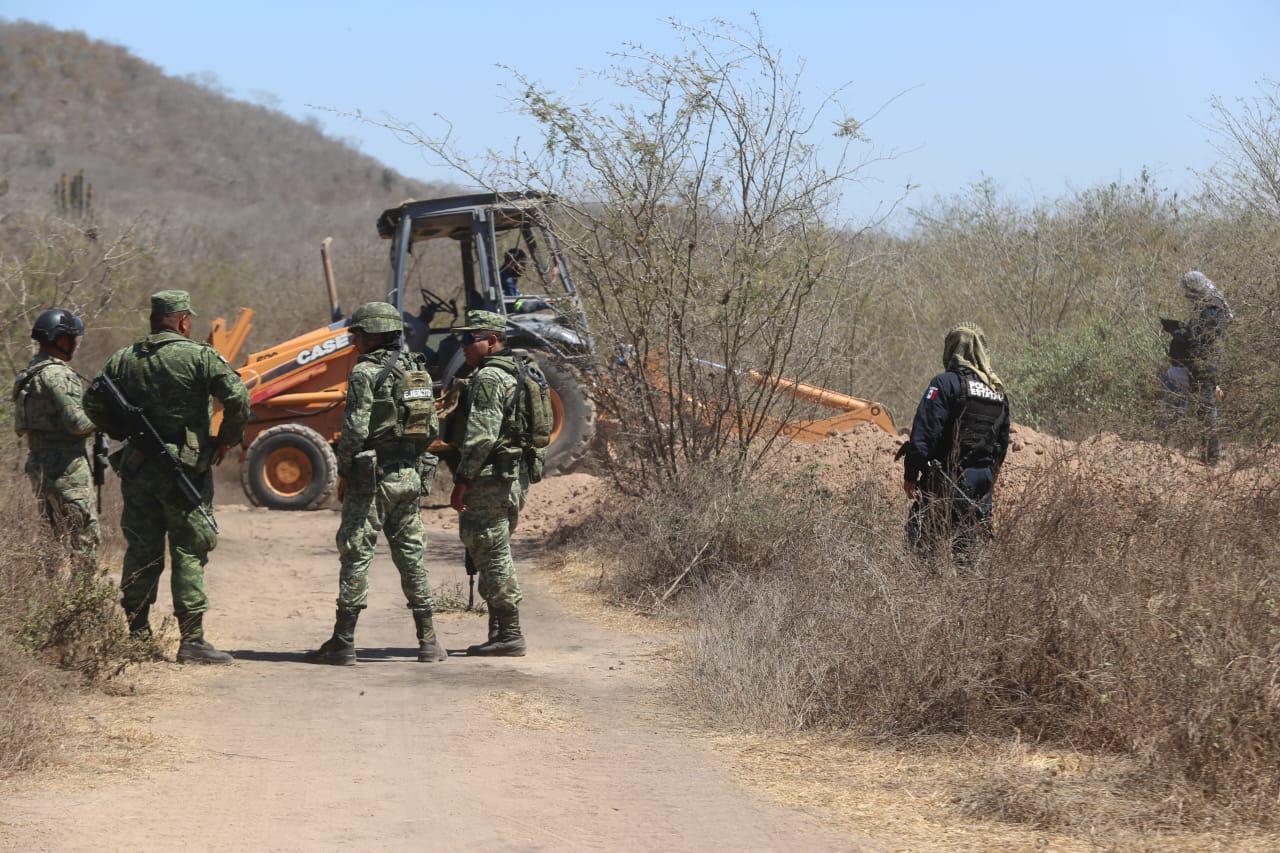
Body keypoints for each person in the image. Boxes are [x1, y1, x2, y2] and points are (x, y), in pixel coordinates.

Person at [84, 290, 250, 665]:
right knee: (189, 550)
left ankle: (137, 636)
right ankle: (192, 641)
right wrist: (224, 441)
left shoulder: (124, 359)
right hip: (186, 469)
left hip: (140, 468)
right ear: (184, 321)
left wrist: (125, 432)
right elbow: (239, 397)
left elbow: (91, 403)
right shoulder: (200, 356)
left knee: (142, 549)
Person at [305, 302, 445, 666]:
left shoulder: (365, 373)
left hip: (372, 478)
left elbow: (354, 430)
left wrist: (346, 471)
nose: (355, 340)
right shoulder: (417, 371)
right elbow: (430, 428)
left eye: (359, 334)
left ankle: (344, 642)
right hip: (410, 475)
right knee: (412, 556)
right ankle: (429, 641)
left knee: (356, 553)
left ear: (373, 335)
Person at [445, 310, 549, 656]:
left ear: (492, 340)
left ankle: (509, 634)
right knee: (493, 548)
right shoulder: (520, 370)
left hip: (491, 478)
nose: (463, 347)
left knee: (491, 549)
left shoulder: (490, 378)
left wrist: (462, 479)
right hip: (513, 476)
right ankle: (498, 631)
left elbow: (480, 437)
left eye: (469, 339)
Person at [898, 323, 1011, 558]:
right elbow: (1000, 447)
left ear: (951, 349)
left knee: (919, 548)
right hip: (980, 485)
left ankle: (929, 593)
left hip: (946, 479)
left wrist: (911, 475)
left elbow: (924, 435)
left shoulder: (945, 384)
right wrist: (988, 481)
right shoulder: (998, 394)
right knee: (968, 557)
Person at [12, 307, 99, 562]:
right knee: (84, 537)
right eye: (71, 338)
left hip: (39, 464)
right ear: (60, 339)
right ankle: (81, 599)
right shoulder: (58, 375)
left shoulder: (29, 373)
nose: (74, 344)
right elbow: (77, 423)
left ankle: (49, 595)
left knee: (51, 537)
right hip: (66, 468)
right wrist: (103, 417)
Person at [1160, 270, 1231, 465]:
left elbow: (1200, 340)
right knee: (1204, 411)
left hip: (1202, 368)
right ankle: (1206, 455)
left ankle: (1209, 457)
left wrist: (1178, 331)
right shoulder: (1212, 306)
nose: (1188, 296)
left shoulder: (1212, 310)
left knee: (1205, 411)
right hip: (1199, 367)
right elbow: (1198, 335)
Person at [498, 248, 552, 314]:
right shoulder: (506, 280)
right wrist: (546, 303)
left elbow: (518, 300)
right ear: (512, 263)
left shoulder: (506, 276)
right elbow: (517, 307)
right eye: (522, 264)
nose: (523, 268)